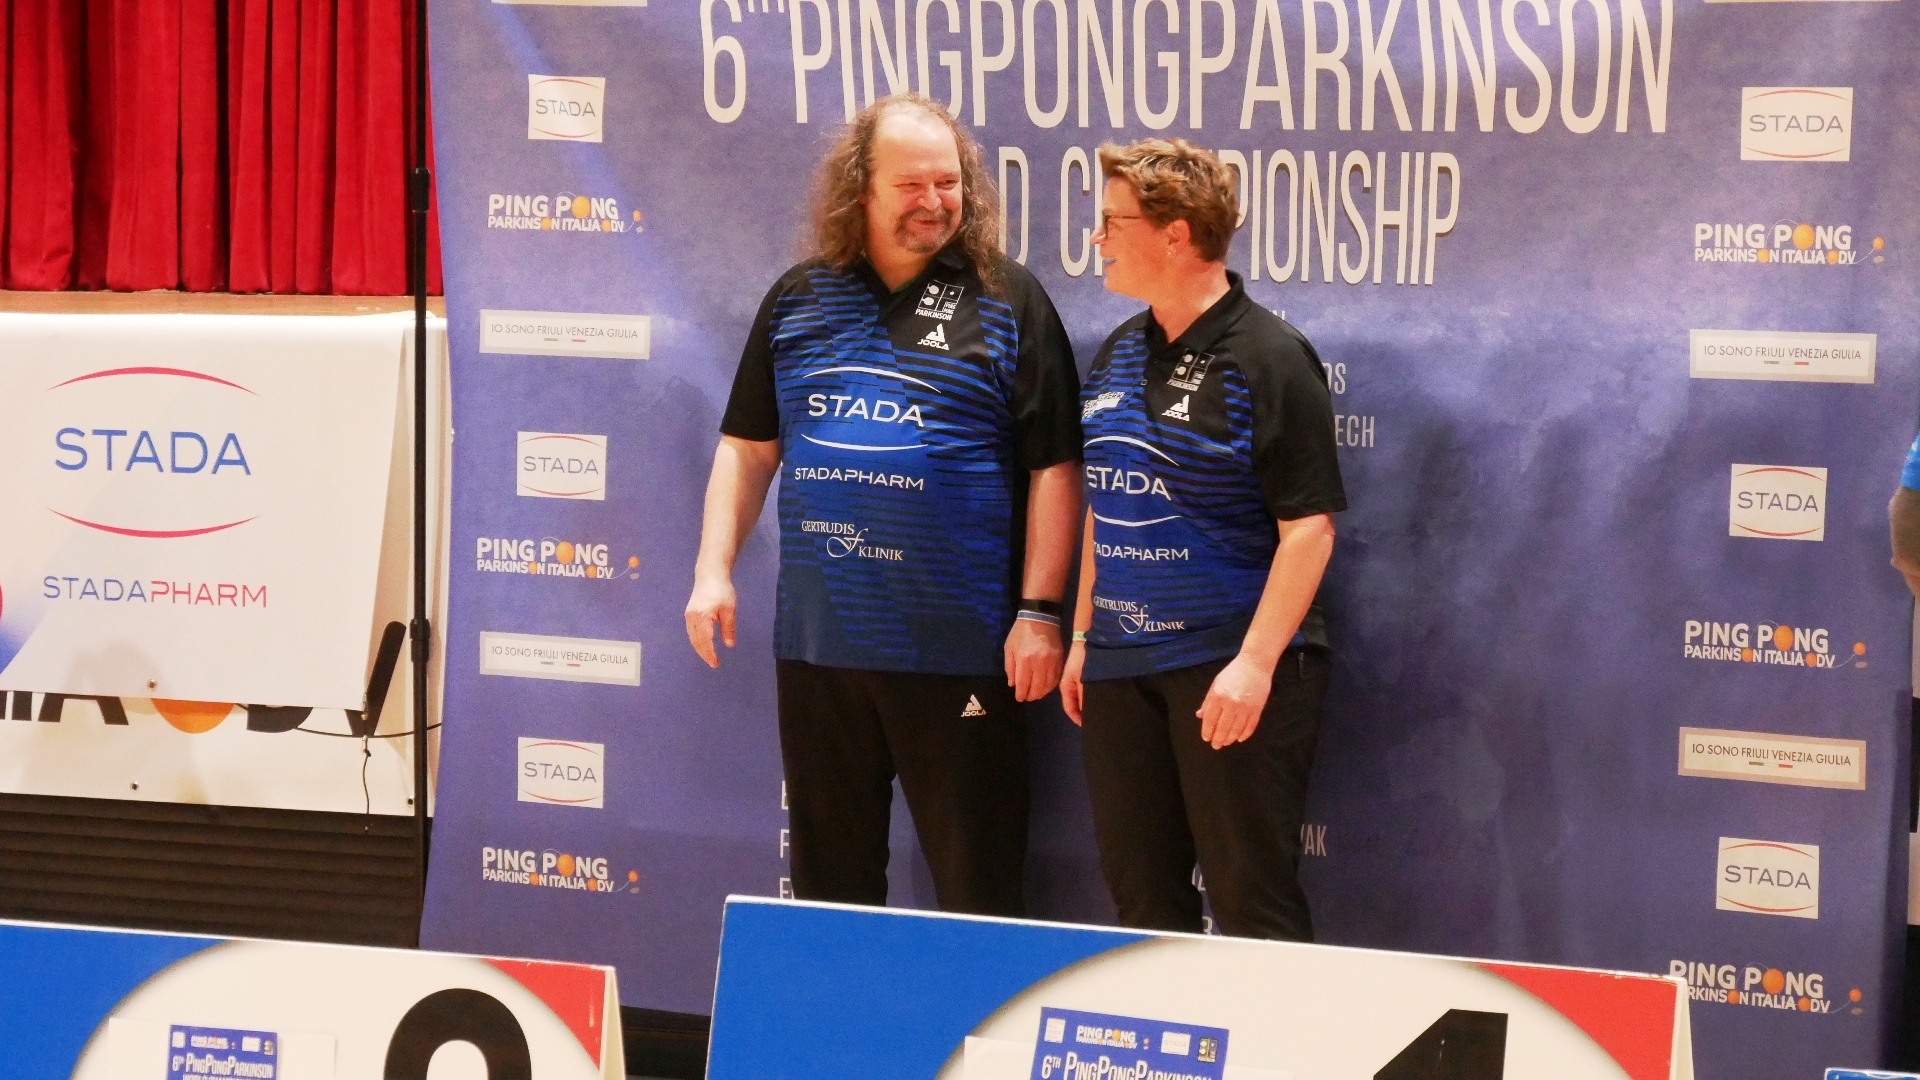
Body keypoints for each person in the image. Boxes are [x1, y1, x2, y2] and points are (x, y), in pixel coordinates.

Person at [684, 93, 1082, 916]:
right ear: (859, 189)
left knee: (979, 894)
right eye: (911, 185)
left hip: (961, 646)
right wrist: (712, 571)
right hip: (821, 647)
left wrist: (1041, 612)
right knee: (832, 891)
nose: (935, 201)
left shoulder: (1008, 299)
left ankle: (971, 1009)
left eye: (949, 183)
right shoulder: (799, 299)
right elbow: (749, 447)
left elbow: (1056, 467)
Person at [1060, 138, 1347, 940]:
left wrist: (1253, 666)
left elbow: (1310, 530)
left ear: (1175, 234)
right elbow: (1105, 499)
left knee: (1251, 901)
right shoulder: (1118, 350)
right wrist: (1082, 635)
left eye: (1113, 222)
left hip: (1226, 662)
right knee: (1142, 904)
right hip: (1120, 665)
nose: (1098, 238)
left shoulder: (1269, 356)